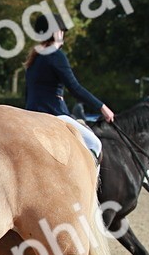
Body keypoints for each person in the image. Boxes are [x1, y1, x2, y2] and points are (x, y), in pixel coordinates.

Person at [23, 16, 114, 160]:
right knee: (95, 144)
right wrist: (102, 107)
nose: (63, 35)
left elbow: (28, 93)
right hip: (53, 114)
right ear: (55, 33)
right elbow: (75, 88)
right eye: (61, 31)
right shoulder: (56, 55)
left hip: (30, 115)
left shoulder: (34, 58)